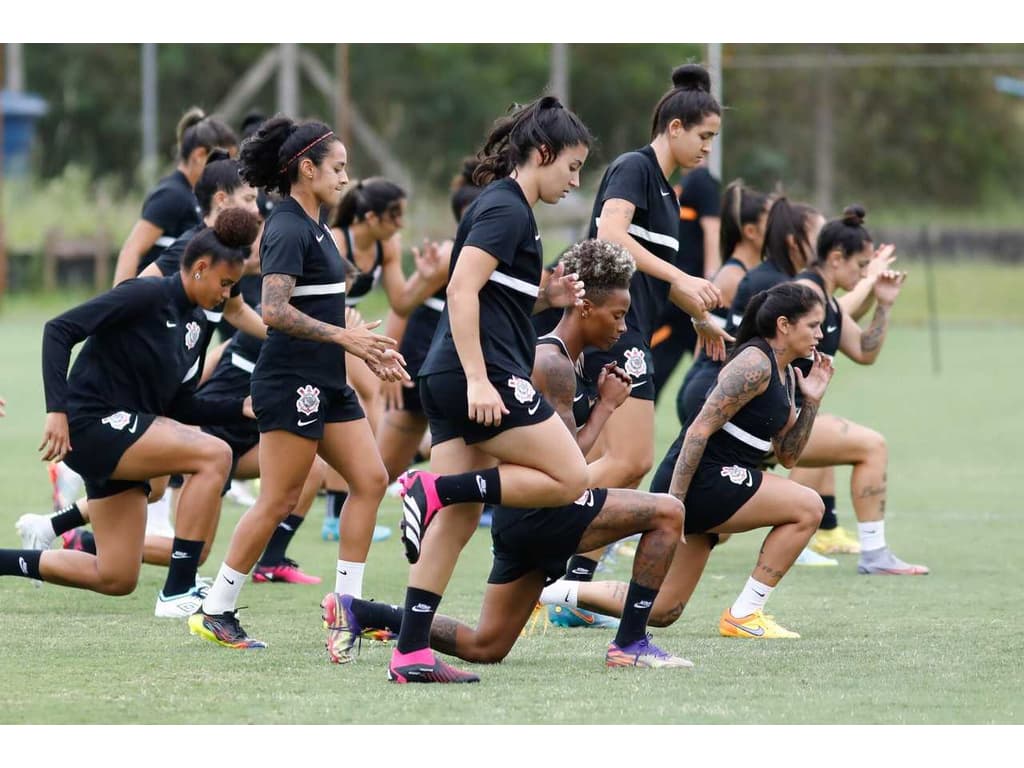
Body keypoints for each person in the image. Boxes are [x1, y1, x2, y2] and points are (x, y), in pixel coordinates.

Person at [324, 239, 690, 670]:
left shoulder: (566, 360)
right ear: (585, 308)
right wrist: (606, 408)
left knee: (486, 646)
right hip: (544, 513)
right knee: (669, 513)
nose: (623, 327)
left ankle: (363, 613)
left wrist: (604, 404)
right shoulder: (551, 363)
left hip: (522, 519)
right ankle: (629, 644)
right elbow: (568, 461)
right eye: (617, 314)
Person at [388, 95, 592, 683]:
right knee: (572, 477)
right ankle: (431, 486)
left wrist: (546, 299)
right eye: (572, 167)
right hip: (476, 375)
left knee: (457, 518)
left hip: (449, 375)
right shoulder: (507, 208)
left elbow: (495, 295)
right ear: (543, 153)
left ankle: (410, 652)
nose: (574, 182)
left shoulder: (506, 208)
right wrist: (480, 377)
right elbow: (461, 289)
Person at [187, 115, 406, 651]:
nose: (345, 178)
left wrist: (361, 344)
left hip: (327, 383)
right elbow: (276, 310)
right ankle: (217, 608)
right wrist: (345, 339)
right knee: (278, 499)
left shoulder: (317, 226)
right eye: (337, 168)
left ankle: (346, 610)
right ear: (305, 169)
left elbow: (322, 305)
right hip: (291, 383)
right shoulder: (286, 225)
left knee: (372, 479)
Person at [1, 209, 260, 609]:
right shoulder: (146, 294)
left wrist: (238, 407)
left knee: (116, 576)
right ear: (200, 268)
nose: (227, 295)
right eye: (225, 283)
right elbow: (59, 330)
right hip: (91, 424)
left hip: (123, 436)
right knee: (215, 454)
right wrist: (57, 409)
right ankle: (178, 590)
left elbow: (180, 404)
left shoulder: (196, 324)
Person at [650, 282, 834, 638]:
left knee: (662, 610)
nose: (820, 334)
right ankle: (745, 614)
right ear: (784, 324)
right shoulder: (754, 361)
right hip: (698, 481)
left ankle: (554, 594)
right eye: (813, 325)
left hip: (717, 482)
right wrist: (674, 504)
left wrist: (812, 400)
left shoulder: (787, 373)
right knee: (809, 506)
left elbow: (788, 455)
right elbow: (698, 431)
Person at [583, 64, 728, 492]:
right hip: (609, 329)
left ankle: (572, 557)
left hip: (632, 328)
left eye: (713, 140)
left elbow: (658, 278)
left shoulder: (667, 193)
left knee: (609, 460)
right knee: (631, 461)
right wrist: (682, 276)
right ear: (676, 127)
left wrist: (700, 318)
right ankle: (528, 511)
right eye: (704, 137)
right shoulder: (635, 167)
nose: (707, 149)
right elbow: (610, 234)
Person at [789, 206, 928, 574]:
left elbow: (865, 352)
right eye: (861, 265)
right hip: (771, 422)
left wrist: (883, 304)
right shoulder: (804, 295)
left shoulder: (828, 303)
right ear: (837, 258)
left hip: (788, 420)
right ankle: (875, 555)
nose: (866, 274)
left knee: (708, 531)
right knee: (872, 445)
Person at [319, 178, 446, 542]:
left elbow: (402, 302)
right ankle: (340, 510)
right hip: (325, 326)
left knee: (366, 397)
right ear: (370, 217)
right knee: (370, 395)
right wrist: (341, 321)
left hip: (352, 329)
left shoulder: (386, 244)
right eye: (395, 216)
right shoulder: (337, 239)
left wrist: (425, 277)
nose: (401, 225)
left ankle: (341, 508)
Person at [140, 155, 266, 344]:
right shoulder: (191, 246)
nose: (256, 210)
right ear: (221, 199)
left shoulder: (229, 249)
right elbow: (138, 291)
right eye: (248, 199)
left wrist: (283, 337)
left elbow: (235, 311)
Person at [114, 107, 237, 283]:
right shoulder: (171, 195)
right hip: (153, 302)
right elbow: (131, 250)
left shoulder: (196, 196)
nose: (228, 171)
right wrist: (121, 305)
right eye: (223, 162)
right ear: (199, 155)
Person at [650, 164, 722, 399]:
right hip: (678, 298)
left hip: (689, 298)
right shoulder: (683, 184)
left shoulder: (703, 181)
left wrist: (712, 277)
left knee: (716, 373)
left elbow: (712, 230)